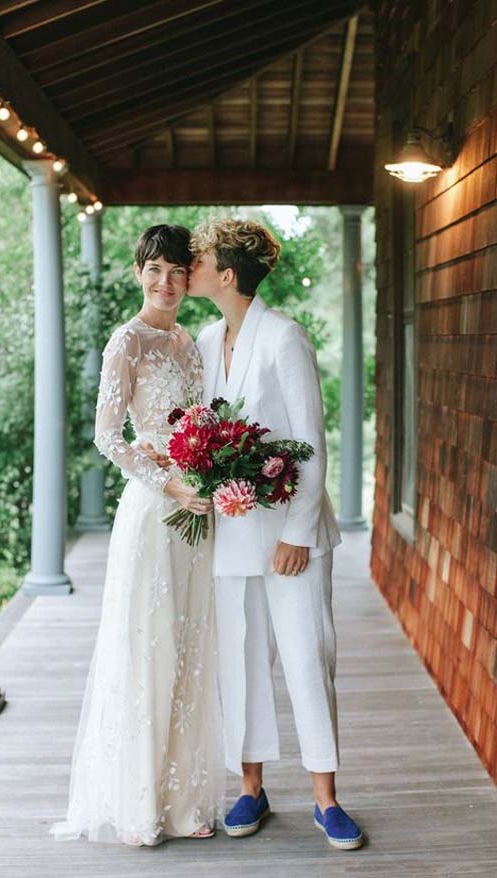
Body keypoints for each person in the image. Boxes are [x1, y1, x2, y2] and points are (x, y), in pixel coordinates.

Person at [186, 217, 363, 850]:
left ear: (226, 275)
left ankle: (326, 800)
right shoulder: (206, 340)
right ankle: (251, 788)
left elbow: (311, 445)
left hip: (292, 538)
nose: (191, 267)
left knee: (307, 658)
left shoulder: (286, 338)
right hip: (232, 534)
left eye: (200, 259)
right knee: (241, 660)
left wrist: (295, 532)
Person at [49, 225, 223, 847]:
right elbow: (108, 436)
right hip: (153, 510)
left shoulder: (191, 343)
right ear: (137, 272)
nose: (167, 282)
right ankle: (138, 804)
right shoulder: (128, 340)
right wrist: (171, 485)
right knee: (148, 646)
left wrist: (206, 477)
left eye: (178, 271)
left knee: (189, 645)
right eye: (155, 269)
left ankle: (181, 803)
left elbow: (202, 421)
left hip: (196, 514)